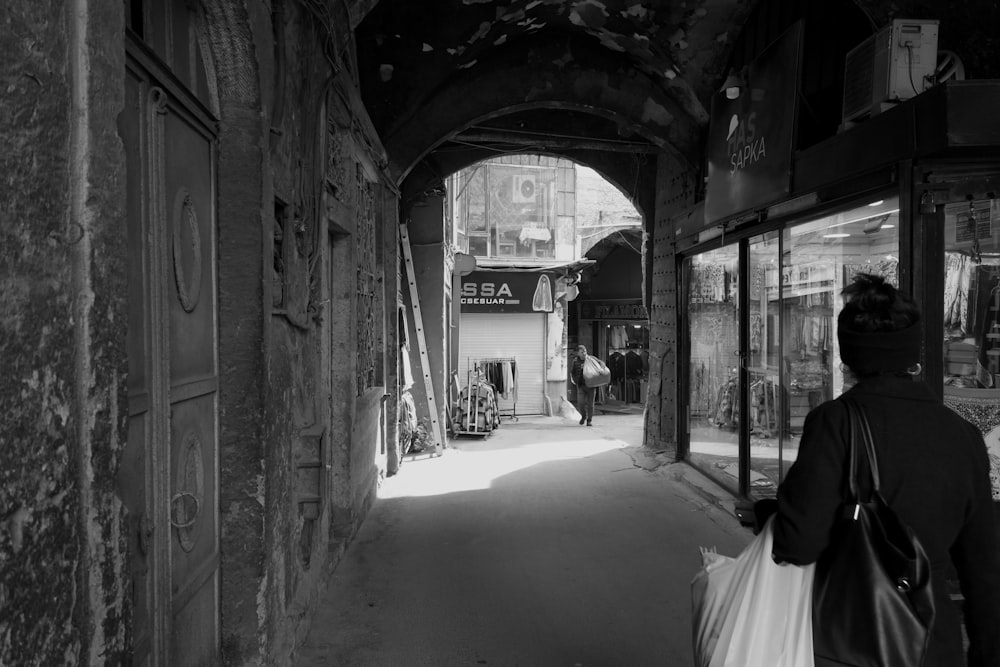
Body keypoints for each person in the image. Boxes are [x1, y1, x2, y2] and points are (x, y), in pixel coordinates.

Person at [758, 273, 1000, 666]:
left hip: (849, 639)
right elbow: (985, 571)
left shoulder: (834, 423)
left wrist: (769, 516)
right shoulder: (964, 434)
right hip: (931, 644)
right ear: (912, 353)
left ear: (847, 356)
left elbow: (799, 543)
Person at [570, 344, 595, 426]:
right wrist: (575, 380)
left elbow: (600, 363)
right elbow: (572, 372)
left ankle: (589, 420)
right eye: (582, 352)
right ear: (578, 353)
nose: (584, 353)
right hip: (581, 386)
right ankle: (583, 416)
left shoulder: (591, 359)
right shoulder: (575, 361)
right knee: (580, 403)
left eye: (585, 351)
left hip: (591, 385)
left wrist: (602, 368)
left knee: (590, 405)